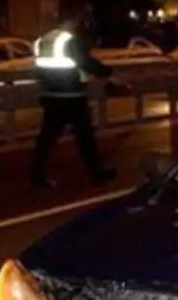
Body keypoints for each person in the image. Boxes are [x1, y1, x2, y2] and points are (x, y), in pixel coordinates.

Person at [30, 11, 119, 189]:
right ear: (68, 21)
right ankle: (97, 173)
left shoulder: (42, 40)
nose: (78, 25)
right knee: (85, 137)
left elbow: (38, 68)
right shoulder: (68, 40)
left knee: (46, 139)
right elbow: (85, 62)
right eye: (76, 21)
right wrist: (107, 72)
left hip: (51, 96)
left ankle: (37, 176)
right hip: (72, 97)